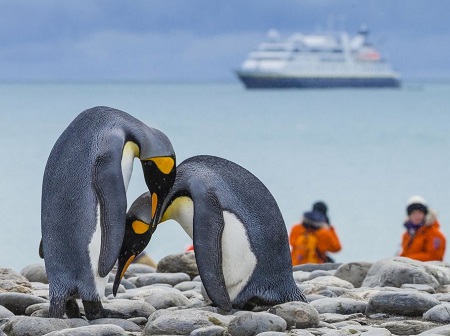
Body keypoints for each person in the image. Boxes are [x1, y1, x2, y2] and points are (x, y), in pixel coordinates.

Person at [289, 201, 342, 265]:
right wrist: (330, 228)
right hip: (315, 267)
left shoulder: (297, 228)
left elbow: (292, 242)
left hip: (295, 265)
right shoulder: (323, 233)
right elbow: (336, 248)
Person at [399, 195, 446, 261]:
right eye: (413, 213)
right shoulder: (407, 235)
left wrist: (407, 260)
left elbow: (433, 257)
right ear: (409, 215)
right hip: (410, 269)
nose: (416, 216)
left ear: (425, 214)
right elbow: (404, 255)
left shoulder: (435, 235)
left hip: (428, 270)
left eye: (419, 212)